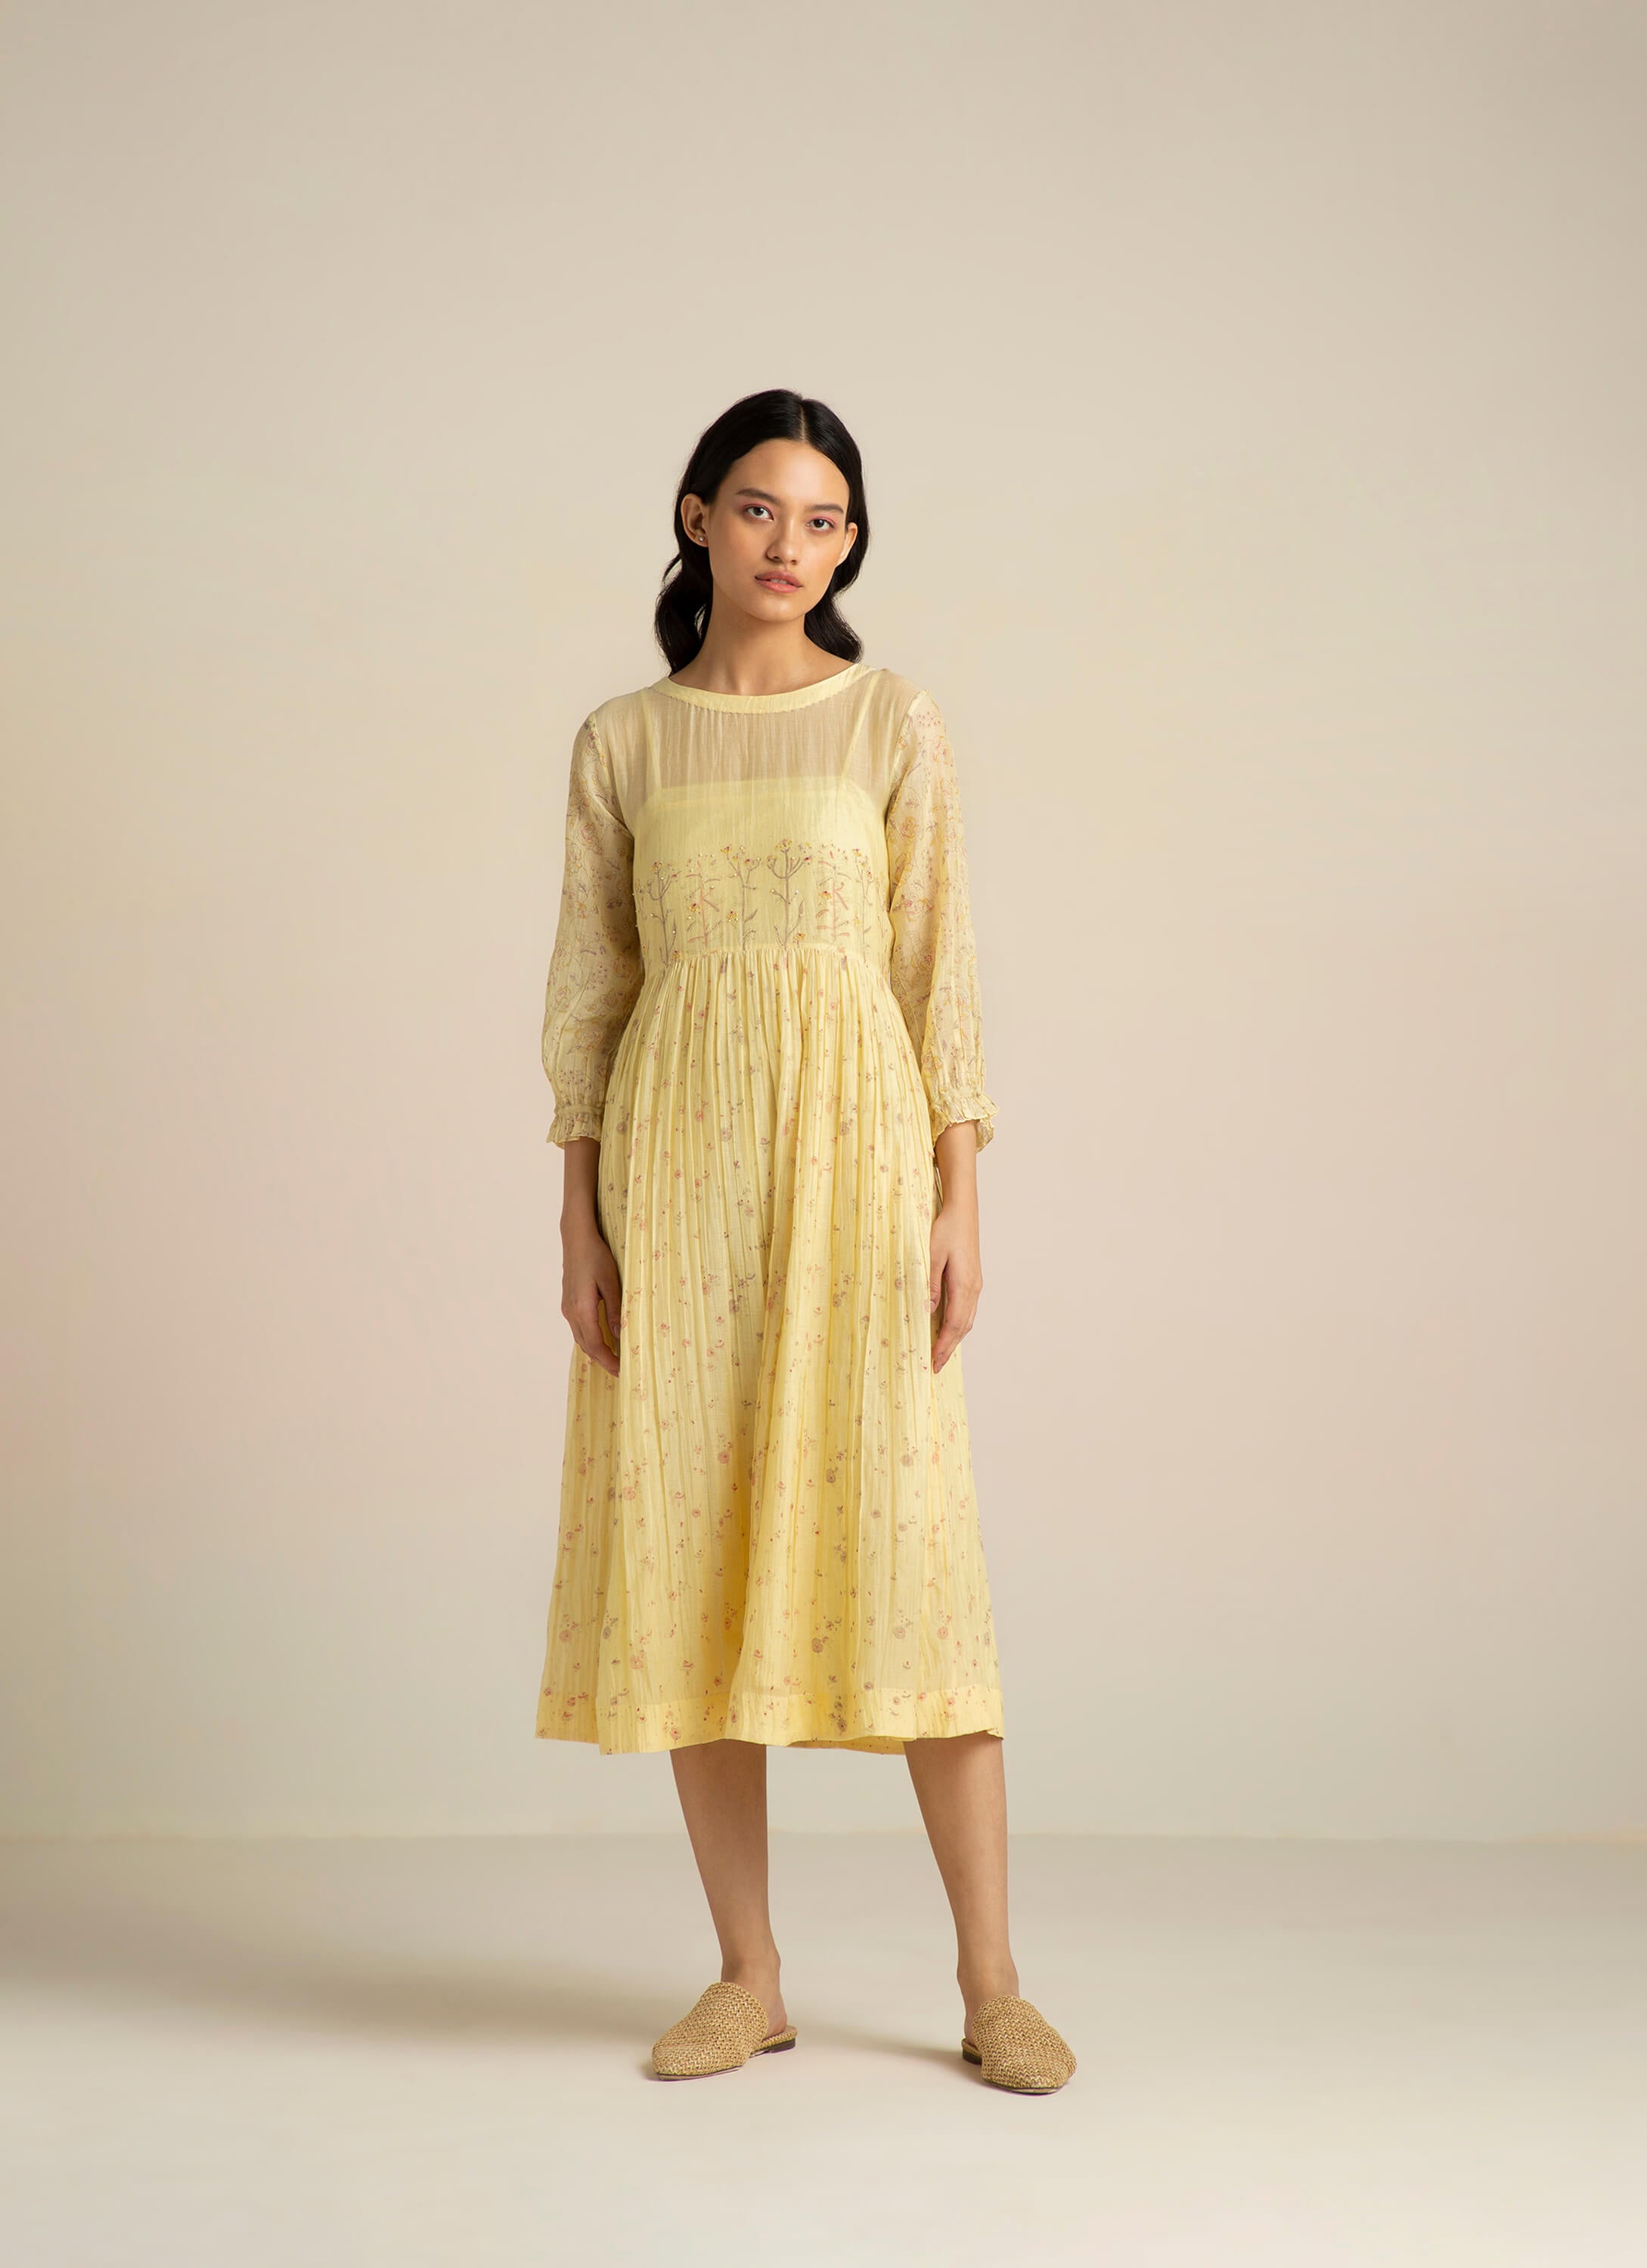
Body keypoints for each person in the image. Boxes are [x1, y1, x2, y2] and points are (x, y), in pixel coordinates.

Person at [535, 389, 1074, 2095]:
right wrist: (580, 1213)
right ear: (697, 519)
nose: (792, 545)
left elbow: (940, 966)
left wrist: (959, 1191)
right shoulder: (625, 740)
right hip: (677, 1175)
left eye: (826, 520)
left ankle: (992, 1983)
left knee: (914, 1561)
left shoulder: (889, 719)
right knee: (687, 1547)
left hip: (857, 1166)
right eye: (761, 510)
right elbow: (590, 995)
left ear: (850, 543)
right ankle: (748, 1977)